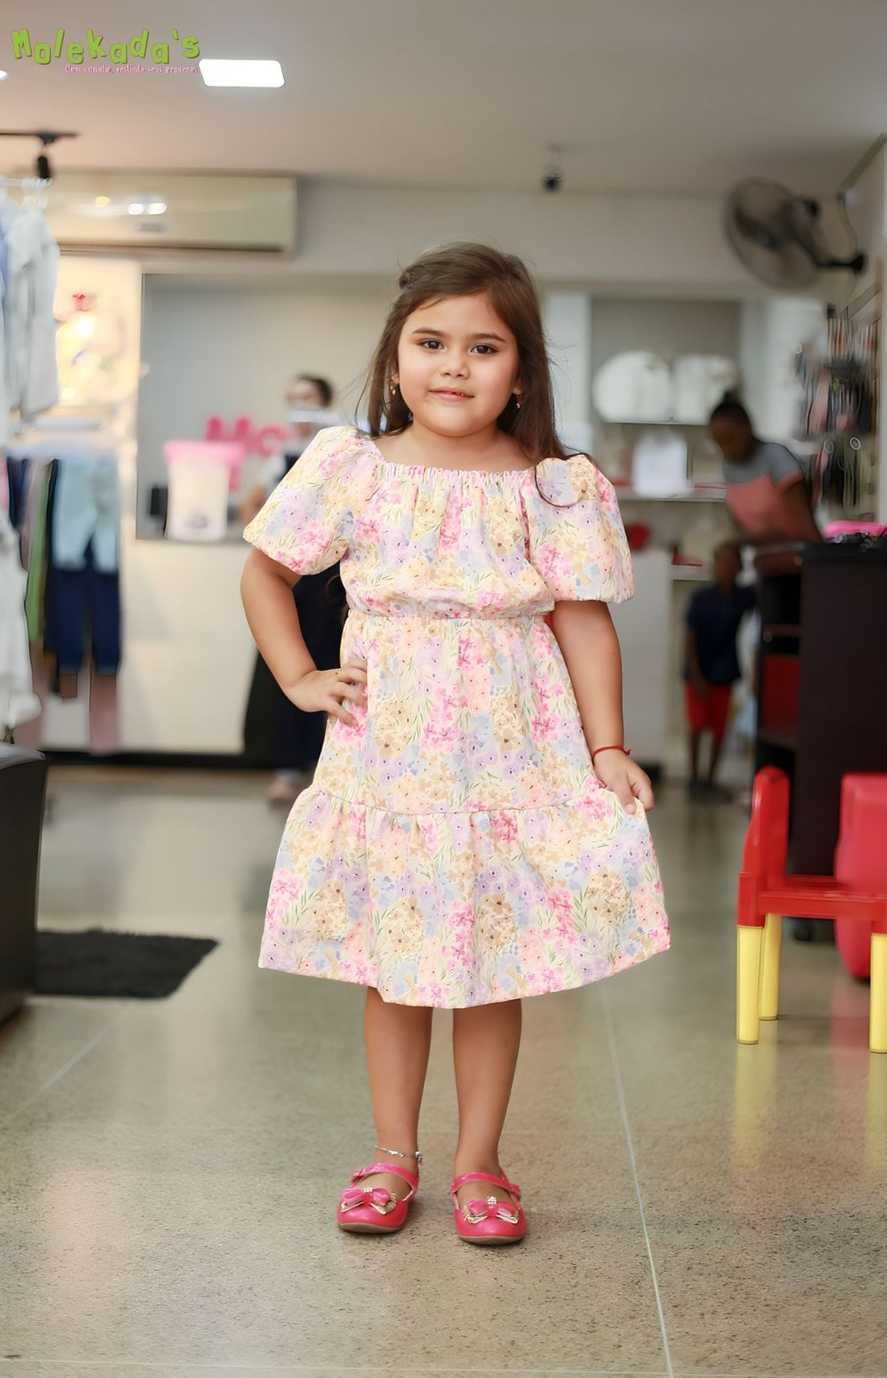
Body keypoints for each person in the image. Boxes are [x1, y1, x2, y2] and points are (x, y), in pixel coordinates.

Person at [240, 242, 670, 1246]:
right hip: (391, 754)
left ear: (520, 372)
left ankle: (482, 1160)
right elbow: (265, 571)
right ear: (395, 359)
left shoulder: (551, 486)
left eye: (483, 347)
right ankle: (393, 1154)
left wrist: (607, 746)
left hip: (511, 750)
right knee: (394, 960)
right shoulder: (353, 468)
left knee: (491, 958)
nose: (453, 365)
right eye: (431, 342)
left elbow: (583, 621)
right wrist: (299, 677)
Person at [240, 375, 346, 804]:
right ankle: (286, 767)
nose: (300, 408)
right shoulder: (282, 456)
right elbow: (251, 505)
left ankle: (331, 767)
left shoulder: (345, 452)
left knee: (339, 666)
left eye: (308, 399)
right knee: (290, 666)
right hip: (295, 584)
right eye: (294, 400)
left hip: (337, 586)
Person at [684, 541, 756, 798]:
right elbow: (689, 640)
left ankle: (710, 779)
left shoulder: (743, 597)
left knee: (718, 729)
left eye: (731, 561)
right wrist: (697, 676)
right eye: (722, 561)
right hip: (699, 671)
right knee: (697, 726)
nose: (726, 566)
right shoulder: (702, 599)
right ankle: (694, 779)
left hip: (724, 672)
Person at [709, 393, 822, 544]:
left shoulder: (776, 457)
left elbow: (806, 524)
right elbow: (740, 526)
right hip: (761, 554)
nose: (726, 449)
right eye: (719, 442)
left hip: (794, 551)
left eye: (730, 439)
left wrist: (822, 555)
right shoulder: (728, 468)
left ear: (747, 427)